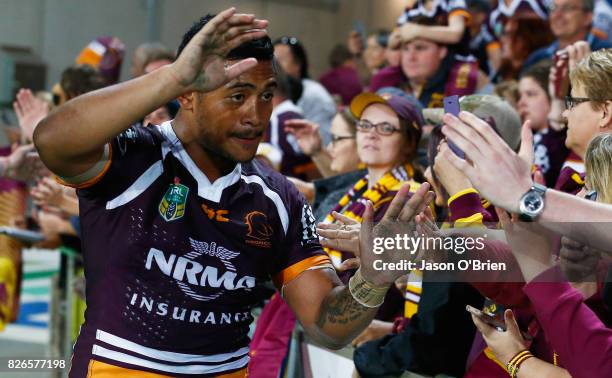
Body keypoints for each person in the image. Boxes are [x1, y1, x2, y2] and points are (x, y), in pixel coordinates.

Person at [34, 9, 434, 377]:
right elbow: (52, 142)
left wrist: (373, 280)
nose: (255, 116)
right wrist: (170, 77)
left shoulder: (279, 199)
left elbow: (327, 326)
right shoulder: (135, 157)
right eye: (237, 95)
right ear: (189, 93)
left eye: (266, 96)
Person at [273, 36, 336, 145]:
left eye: (279, 61)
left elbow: (324, 141)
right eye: (272, 61)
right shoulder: (274, 92)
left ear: (298, 64)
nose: (273, 67)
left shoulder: (314, 94)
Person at [524, 0, 612, 69]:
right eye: (553, 8)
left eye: (567, 8)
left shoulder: (607, 54)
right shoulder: (537, 59)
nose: (557, 15)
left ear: (587, 17)